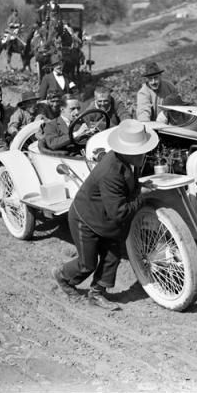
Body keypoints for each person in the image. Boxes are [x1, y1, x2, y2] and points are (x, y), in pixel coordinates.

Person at [51, 119, 159, 310]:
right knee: (87, 264)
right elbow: (119, 213)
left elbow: (125, 191)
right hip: (86, 219)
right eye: (140, 151)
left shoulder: (130, 162)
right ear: (127, 151)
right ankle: (62, 276)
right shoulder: (111, 171)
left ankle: (97, 293)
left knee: (112, 257)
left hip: (105, 217)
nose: (145, 154)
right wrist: (142, 197)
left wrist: (140, 187)